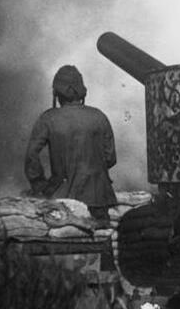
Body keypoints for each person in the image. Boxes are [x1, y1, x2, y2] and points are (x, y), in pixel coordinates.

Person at [24, 64, 117, 224]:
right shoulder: (99, 116)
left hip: (63, 198)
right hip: (99, 198)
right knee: (101, 240)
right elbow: (110, 158)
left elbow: (31, 155)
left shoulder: (48, 118)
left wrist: (40, 185)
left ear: (56, 93)